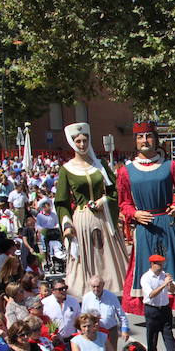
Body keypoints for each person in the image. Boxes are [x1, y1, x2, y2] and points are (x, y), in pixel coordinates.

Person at [117, 120, 175, 315]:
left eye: (149, 136)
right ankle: (153, 310)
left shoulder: (172, 167)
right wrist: (135, 213)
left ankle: (170, 308)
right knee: (146, 269)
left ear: (156, 139)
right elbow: (123, 203)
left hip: (168, 225)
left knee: (172, 267)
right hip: (145, 228)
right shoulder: (125, 172)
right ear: (135, 141)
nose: (145, 140)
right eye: (140, 137)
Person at [56, 122, 129, 298]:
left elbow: (114, 191)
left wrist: (104, 200)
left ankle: (110, 289)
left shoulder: (100, 164)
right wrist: (66, 224)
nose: (82, 144)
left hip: (103, 217)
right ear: (72, 142)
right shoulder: (66, 169)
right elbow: (61, 202)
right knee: (86, 255)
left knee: (106, 254)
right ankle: (88, 291)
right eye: (78, 141)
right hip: (81, 218)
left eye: (85, 140)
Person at [81, 275, 129, 349]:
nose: (96, 289)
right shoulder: (86, 298)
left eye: (98, 286)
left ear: (103, 285)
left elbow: (121, 315)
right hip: (93, 332)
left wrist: (124, 330)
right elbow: (82, 317)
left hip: (110, 331)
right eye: (93, 286)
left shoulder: (111, 296)